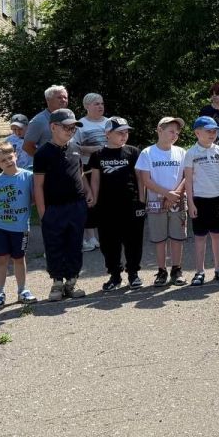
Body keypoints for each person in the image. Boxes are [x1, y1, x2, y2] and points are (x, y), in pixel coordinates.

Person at [33, 108, 91, 301]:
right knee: (55, 245)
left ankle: (72, 282)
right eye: (66, 127)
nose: (70, 131)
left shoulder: (75, 147)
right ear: (53, 127)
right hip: (54, 209)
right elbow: (38, 186)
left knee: (75, 245)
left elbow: (80, 172)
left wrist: (88, 191)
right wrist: (43, 213)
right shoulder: (42, 153)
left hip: (76, 206)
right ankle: (57, 283)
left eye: (73, 127)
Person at [90, 118, 146, 290]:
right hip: (107, 208)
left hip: (131, 205)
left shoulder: (133, 152)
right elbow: (96, 180)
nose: (124, 135)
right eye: (120, 132)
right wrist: (94, 201)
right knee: (109, 244)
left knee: (133, 242)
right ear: (107, 134)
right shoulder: (98, 155)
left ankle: (133, 274)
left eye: (126, 132)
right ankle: (115, 275)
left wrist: (142, 201)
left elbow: (139, 178)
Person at [136, 116, 188, 287]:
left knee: (177, 237)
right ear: (160, 130)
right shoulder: (147, 153)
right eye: (171, 131)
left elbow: (186, 176)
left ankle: (176, 269)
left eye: (177, 132)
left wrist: (176, 194)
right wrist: (167, 194)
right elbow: (146, 180)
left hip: (178, 200)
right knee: (159, 238)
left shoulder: (181, 152)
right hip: (156, 201)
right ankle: (161, 271)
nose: (175, 135)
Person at [0, 142, 36, 307]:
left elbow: (34, 199)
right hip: (0, 226)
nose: (8, 161)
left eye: (10, 157)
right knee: (1, 259)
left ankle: (22, 290)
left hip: (20, 228)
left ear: (16, 155)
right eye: (3, 160)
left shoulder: (28, 177)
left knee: (19, 258)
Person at [184, 116, 219, 286]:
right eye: (208, 131)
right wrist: (190, 203)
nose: (212, 134)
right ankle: (199, 271)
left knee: (218, 236)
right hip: (199, 200)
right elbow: (188, 181)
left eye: (214, 131)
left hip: (218, 198)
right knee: (200, 238)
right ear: (197, 132)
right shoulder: (191, 153)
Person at [75, 92, 108, 253]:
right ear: (87, 106)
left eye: (101, 103)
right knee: (90, 201)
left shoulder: (110, 123)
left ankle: (105, 233)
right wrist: (93, 150)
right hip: (88, 167)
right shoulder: (80, 124)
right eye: (96, 104)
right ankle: (91, 236)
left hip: (108, 168)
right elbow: (75, 147)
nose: (100, 106)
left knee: (105, 201)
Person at [23, 85, 69, 159]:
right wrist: (44, 160)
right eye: (59, 97)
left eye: (65, 97)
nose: (63, 100)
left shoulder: (69, 117)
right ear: (48, 99)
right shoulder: (38, 121)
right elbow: (27, 147)